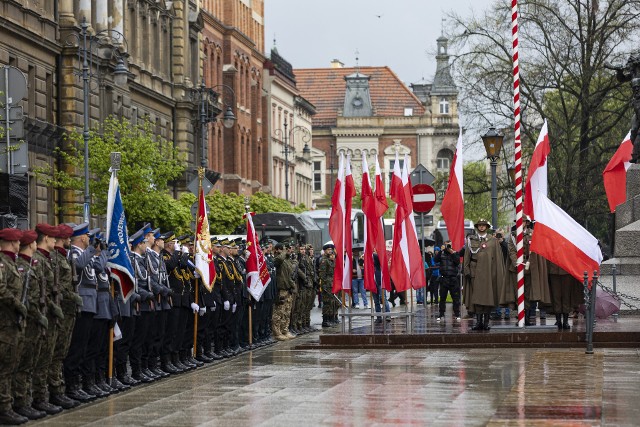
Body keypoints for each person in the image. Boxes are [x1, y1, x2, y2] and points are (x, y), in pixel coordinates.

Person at [0, 228, 30, 425]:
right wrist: (17, 304)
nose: (20, 244)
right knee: (4, 368)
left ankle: (10, 404)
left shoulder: (11, 263)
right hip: (5, 324)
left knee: (12, 365)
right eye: (18, 241)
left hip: (13, 324)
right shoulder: (3, 264)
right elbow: (1, 290)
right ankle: (4, 408)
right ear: (11, 242)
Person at [463, 219, 506, 331]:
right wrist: (466, 269)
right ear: (477, 227)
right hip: (474, 272)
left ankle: (486, 323)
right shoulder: (471, 239)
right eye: (480, 225)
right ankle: (478, 323)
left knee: (487, 298)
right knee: (476, 298)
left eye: (484, 225)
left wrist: (495, 273)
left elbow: (497, 258)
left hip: (488, 273)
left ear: (487, 227)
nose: (482, 227)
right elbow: (467, 255)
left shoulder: (492, 240)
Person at [271, 243, 294, 339]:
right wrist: (284, 252)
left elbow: (290, 273)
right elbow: (278, 260)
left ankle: (285, 330)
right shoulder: (276, 258)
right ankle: (277, 332)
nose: (287, 250)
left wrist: (292, 285)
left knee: (286, 312)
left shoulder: (286, 260)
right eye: (283, 249)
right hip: (281, 289)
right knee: (278, 312)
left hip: (287, 288)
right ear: (277, 250)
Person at [434, 240, 461, 322]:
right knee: (442, 298)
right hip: (444, 278)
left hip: (453, 278)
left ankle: (457, 314)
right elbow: (435, 260)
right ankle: (441, 314)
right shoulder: (441, 253)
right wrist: (441, 251)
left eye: (449, 245)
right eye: (446, 245)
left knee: (455, 298)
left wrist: (452, 252)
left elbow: (457, 262)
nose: (448, 247)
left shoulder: (455, 253)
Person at [318, 243, 336, 327]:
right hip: (327, 284)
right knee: (326, 303)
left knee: (331, 302)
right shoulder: (324, 260)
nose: (330, 251)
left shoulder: (330, 260)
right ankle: (325, 320)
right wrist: (324, 285)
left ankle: (330, 318)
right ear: (325, 251)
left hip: (331, 284)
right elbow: (322, 273)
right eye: (329, 250)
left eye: (331, 249)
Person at [372, 251, 391, 323]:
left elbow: (381, 261)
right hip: (373, 283)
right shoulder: (367, 257)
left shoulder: (375, 256)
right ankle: (378, 317)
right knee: (376, 301)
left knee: (383, 298)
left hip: (379, 281)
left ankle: (388, 315)